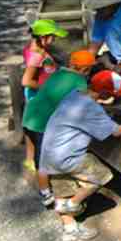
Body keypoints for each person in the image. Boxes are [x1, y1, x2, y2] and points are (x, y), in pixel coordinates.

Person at [40, 70, 121, 241]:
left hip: (49, 152)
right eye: (114, 94)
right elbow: (115, 132)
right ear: (104, 94)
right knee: (102, 176)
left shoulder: (75, 94)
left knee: (63, 187)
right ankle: (73, 204)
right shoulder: (90, 108)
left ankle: (69, 228)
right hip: (68, 156)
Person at [22, 50, 97, 208]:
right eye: (90, 69)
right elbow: (84, 99)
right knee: (43, 160)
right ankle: (46, 193)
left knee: (38, 155)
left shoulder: (58, 72)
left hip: (30, 114)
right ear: (85, 70)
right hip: (43, 122)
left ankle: (44, 187)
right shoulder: (79, 80)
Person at [21, 19, 67, 172]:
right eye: (53, 37)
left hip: (35, 97)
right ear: (43, 37)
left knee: (29, 127)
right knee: (43, 131)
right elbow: (26, 80)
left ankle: (29, 159)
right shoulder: (36, 57)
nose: (55, 40)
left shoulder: (34, 48)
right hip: (39, 98)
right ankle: (44, 166)